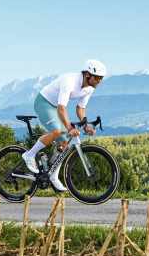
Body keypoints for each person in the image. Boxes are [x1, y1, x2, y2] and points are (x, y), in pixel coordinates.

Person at [22, 60, 107, 192]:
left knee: (64, 143)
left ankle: (53, 176)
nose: (99, 81)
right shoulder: (70, 81)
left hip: (55, 107)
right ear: (87, 75)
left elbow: (80, 108)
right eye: (97, 78)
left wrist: (85, 124)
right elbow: (62, 108)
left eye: (101, 78)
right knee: (57, 131)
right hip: (44, 103)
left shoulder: (90, 88)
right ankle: (29, 155)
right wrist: (70, 128)